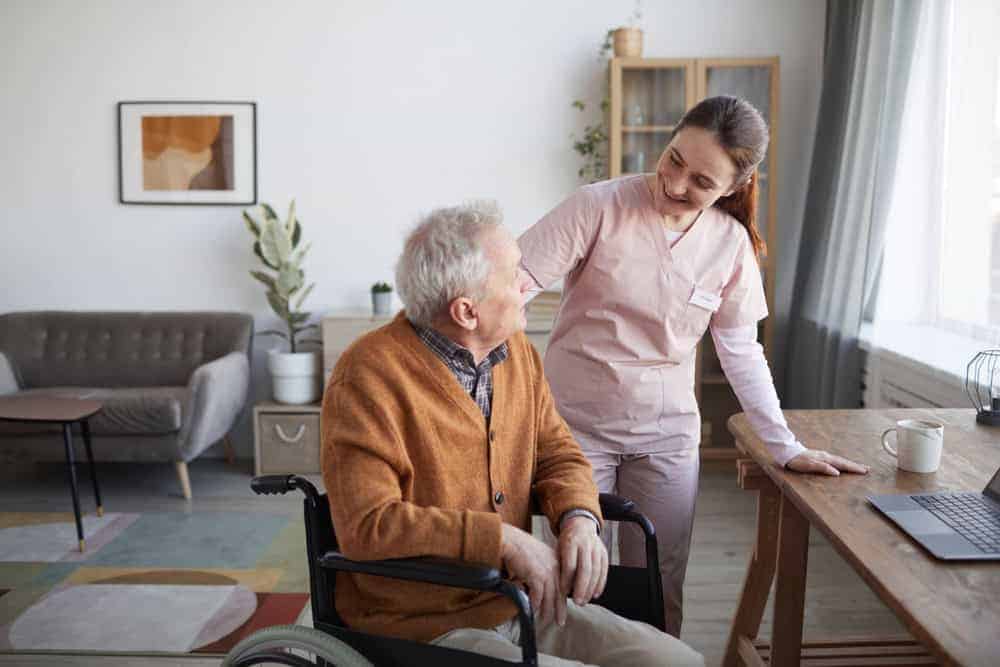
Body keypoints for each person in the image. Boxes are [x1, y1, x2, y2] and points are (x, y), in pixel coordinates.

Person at [517, 96, 869, 637]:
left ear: (733, 187)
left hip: (666, 437)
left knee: (657, 583)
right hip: (574, 431)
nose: (676, 184)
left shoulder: (729, 245)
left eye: (702, 181)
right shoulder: (598, 207)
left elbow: (741, 351)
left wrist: (785, 447)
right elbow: (509, 288)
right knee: (573, 577)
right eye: (675, 158)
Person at [321, 201, 704, 667]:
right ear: (466, 311)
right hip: (419, 623)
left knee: (677, 662)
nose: (529, 282)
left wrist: (580, 516)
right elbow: (369, 526)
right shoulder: (367, 377)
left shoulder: (515, 351)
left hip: (516, 600)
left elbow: (558, 453)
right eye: (514, 274)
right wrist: (503, 540)